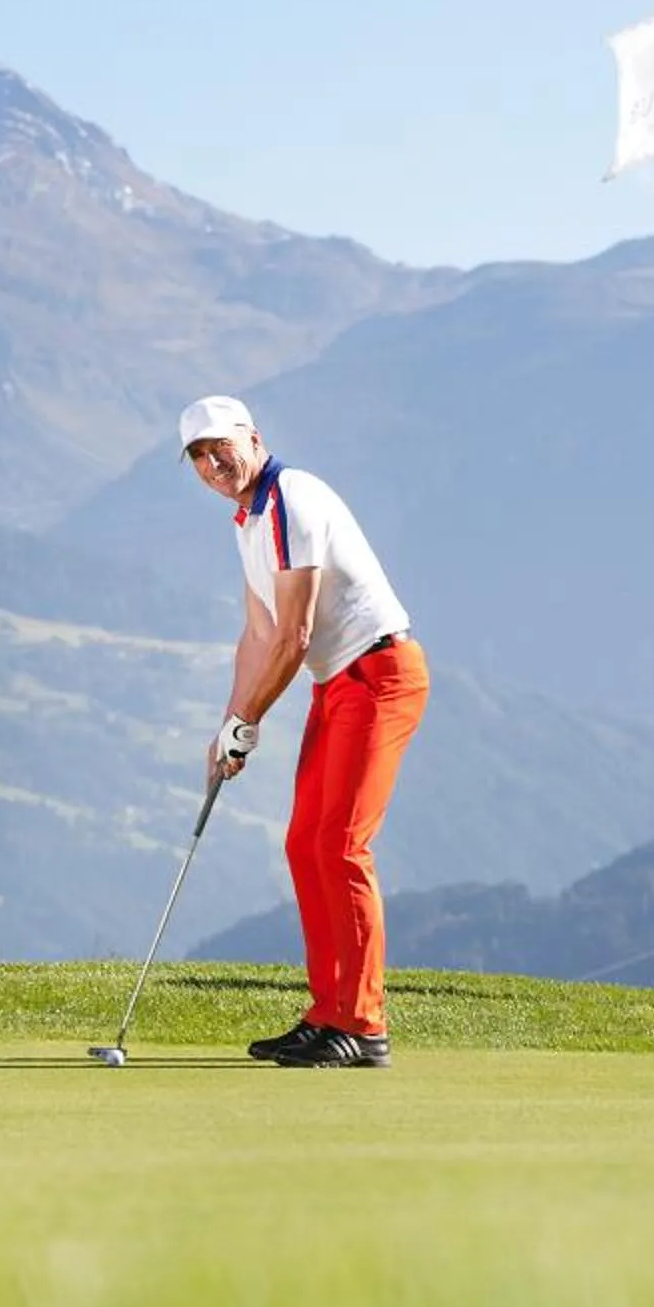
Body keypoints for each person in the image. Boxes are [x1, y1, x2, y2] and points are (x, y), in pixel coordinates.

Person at [177, 393, 429, 1068]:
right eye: (197, 456)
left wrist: (250, 721)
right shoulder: (248, 520)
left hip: (380, 673)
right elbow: (257, 634)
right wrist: (228, 725)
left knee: (341, 846)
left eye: (218, 447)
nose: (210, 463)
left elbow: (296, 633)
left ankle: (364, 1025)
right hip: (339, 683)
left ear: (252, 439)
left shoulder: (290, 498)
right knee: (306, 844)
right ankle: (328, 1015)